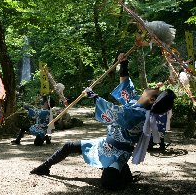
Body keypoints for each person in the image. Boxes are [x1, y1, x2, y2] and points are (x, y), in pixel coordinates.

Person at [30, 53, 176, 190]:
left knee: (109, 184)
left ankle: (122, 172)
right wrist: (124, 64)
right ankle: (45, 166)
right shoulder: (136, 102)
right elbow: (126, 87)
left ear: (151, 100)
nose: (154, 87)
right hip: (105, 144)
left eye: (155, 92)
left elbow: (116, 112)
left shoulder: (139, 114)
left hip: (119, 152)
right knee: (69, 145)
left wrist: (93, 97)